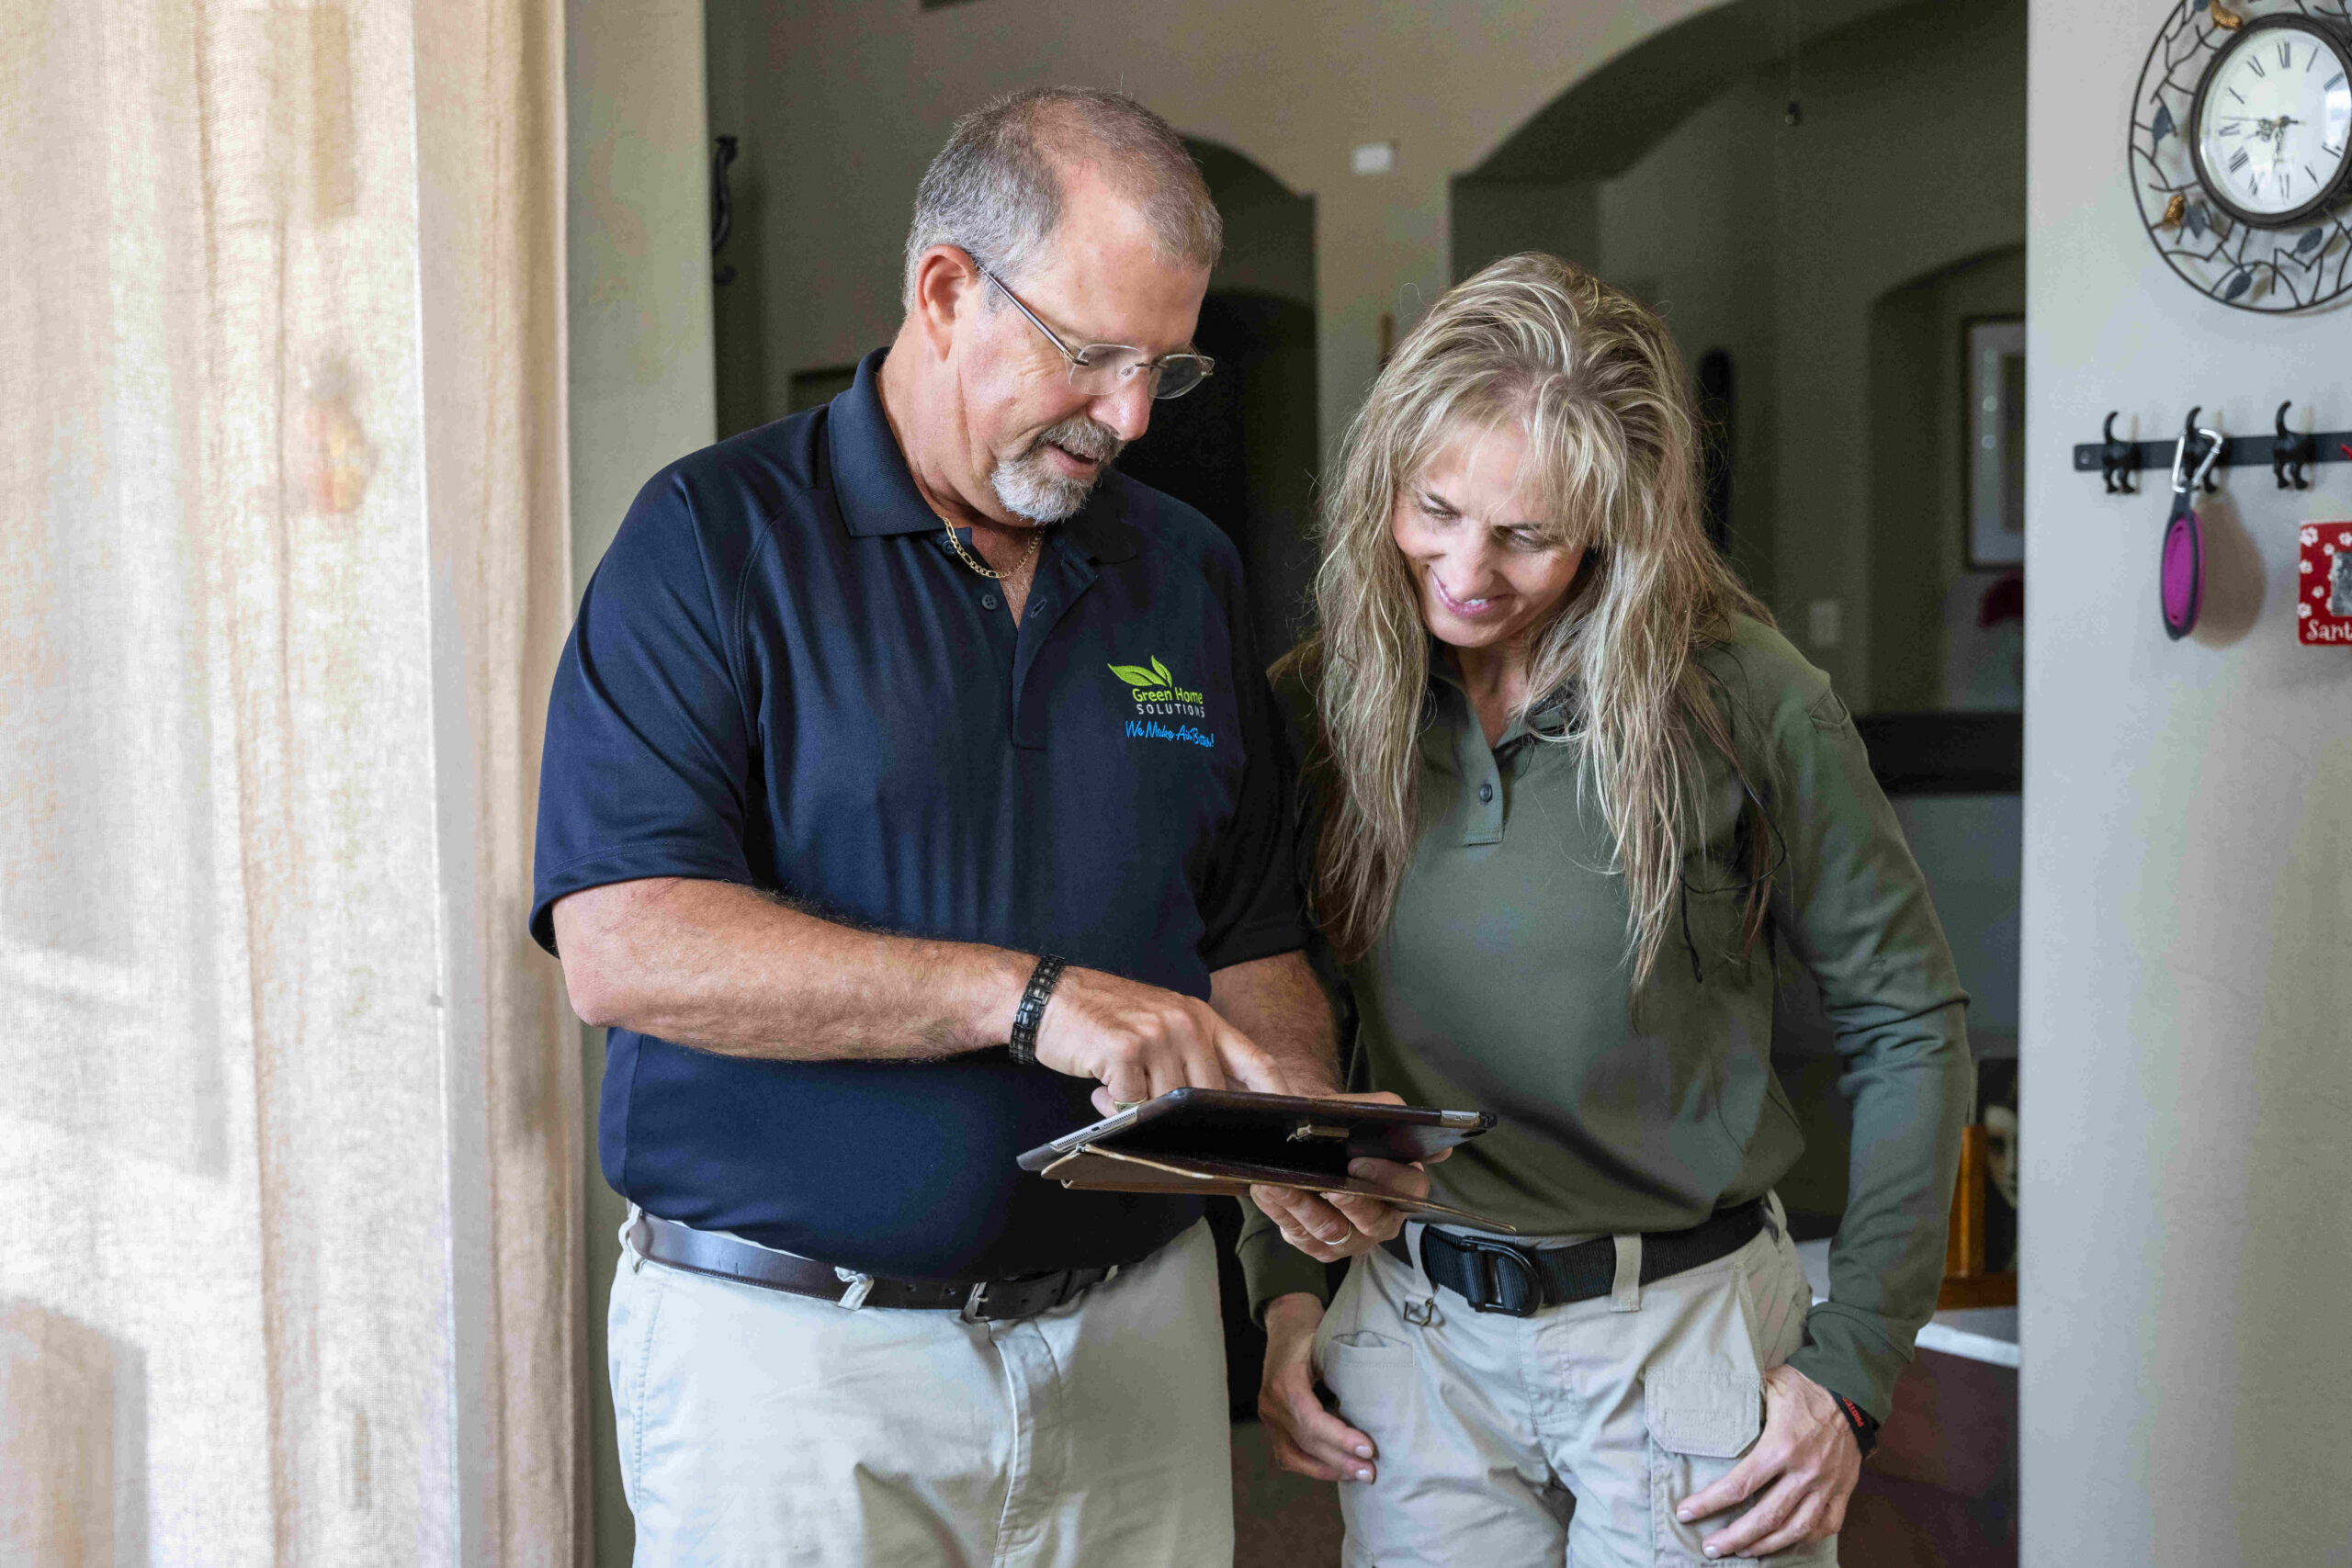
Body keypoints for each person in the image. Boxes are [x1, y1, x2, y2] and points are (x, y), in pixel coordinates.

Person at [531, 88, 1416, 1567]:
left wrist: (1295, 1138)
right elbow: (625, 949)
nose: (1131, 419)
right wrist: (1027, 1003)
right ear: (945, 291)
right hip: (799, 1372)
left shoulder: (1181, 571)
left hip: (1134, 1355)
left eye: (1163, 368)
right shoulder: (709, 542)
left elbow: (1250, 931)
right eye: (1092, 356)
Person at [1238, 254, 1975, 1565]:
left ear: (1613, 527)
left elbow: (1913, 1024)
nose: (1465, 570)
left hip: (1680, 1338)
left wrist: (1854, 1363)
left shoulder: (1747, 698)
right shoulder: (1321, 705)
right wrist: (1290, 1292)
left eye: (1526, 535)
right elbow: (1286, 1008)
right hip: (1416, 1339)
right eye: (1436, 509)